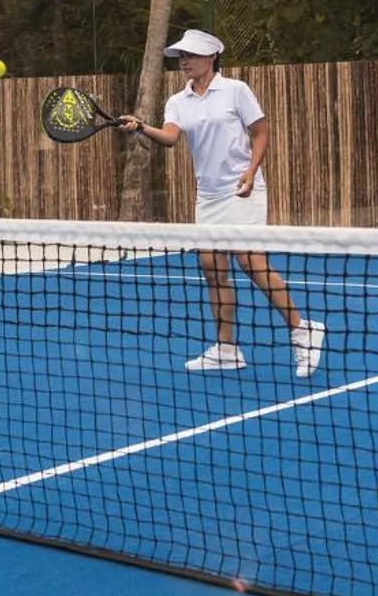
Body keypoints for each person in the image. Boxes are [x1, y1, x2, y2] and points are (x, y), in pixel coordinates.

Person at [120, 28, 326, 379]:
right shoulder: (177, 101)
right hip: (209, 196)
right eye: (181, 55)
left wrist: (251, 171)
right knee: (213, 270)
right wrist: (141, 127)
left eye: (191, 55)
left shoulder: (236, 91)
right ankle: (227, 348)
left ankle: (302, 329)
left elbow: (260, 131)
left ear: (212, 57)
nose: (184, 60)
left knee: (250, 260)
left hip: (242, 188)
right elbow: (170, 138)